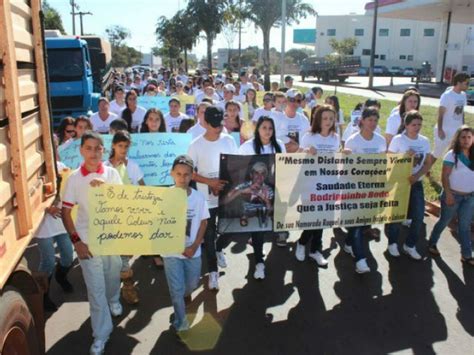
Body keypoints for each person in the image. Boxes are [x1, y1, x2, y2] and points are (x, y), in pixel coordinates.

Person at [62, 131, 123, 355]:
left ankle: (114, 298)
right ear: (81, 150)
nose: (94, 152)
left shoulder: (112, 174)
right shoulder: (74, 179)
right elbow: (66, 212)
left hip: (112, 238)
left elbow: (126, 205)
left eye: (98, 148)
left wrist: (106, 190)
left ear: (103, 150)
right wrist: (76, 241)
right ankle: (101, 334)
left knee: (112, 274)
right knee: (95, 291)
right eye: (89, 148)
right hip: (87, 241)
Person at [187, 106, 238, 290]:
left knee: (232, 229)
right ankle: (213, 272)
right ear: (205, 123)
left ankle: (218, 247)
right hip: (205, 200)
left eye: (220, 123)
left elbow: (237, 164)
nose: (218, 128)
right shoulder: (195, 145)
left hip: (227, 196)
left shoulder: (229, 140)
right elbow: (189, 173)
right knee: (208, 236)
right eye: (214, 124)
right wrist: (210, 182)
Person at [162, 155, 209, 332]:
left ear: (192, 175)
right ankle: (181, 324)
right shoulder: (163, 197)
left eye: (186, 174)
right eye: (178, 174)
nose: (182, 178)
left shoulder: (198, 198)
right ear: (172, 174)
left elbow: (204, 222)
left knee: (191, 284)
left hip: (192, 252)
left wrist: (194, 246)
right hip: (170, 253)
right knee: (176, 290)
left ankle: (184, 296)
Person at [238, 116, 285, 279]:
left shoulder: (279, 145)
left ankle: (258, 244)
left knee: (268, 224)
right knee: (258, 226)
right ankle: (259, 262)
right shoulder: (247, 147)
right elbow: (238, 167)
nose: (267, 131)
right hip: (253, 193)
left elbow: (285, 168)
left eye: (270, 128)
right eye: (264, 128)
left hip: (273, 191)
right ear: (257, 129)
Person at [296, 105, 341, 267]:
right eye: (325, 118)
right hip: (310, 184)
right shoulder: (309, 136)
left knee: (322, 218)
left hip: (329, 184)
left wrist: (346, 154)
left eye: (331, 118)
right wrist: (306, 151)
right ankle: (301, 244)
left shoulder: (335, 137)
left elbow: (337, 159)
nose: (328, 121)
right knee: (312, 218)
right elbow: (296, 159)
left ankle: (315, 250)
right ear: (318, 119)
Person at [343, 107, 387, 273]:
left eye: (376, 120)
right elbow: (346, 168)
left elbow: (383, 166)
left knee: (364, 224)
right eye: (370, 120)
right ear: (362, 120)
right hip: (354, 188)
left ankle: (348, 244)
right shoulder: (353, 141)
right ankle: (360, 260)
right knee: (357, 223)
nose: (373, 123)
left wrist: (382, 189)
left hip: (372, 188)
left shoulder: (380, 140)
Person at [104, 131, 144, 305]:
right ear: (113, 145)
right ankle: (116, 293)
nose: (123, 149)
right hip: (111, 219)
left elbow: (143, 187)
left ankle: (127, 287)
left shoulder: (133, 166)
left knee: (125, 255)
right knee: (113, 258)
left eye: (126, 146)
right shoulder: (104, 167)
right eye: (120, 146)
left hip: (130, 218)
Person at [385, 111, 432, 260]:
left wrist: (416, 176)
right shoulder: (398, 140)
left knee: (418, 217)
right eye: (414, 124)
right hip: (399, 183)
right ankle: (392, 243)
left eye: (419, 124)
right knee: (397, 216)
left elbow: (427, 163)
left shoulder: (424, 141)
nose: (417, 127)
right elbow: (389, 162)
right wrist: (405, 158)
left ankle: (410, 245)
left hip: (416, 183)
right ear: (406, 125)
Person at [36, 136, 74, 312]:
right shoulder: (33, 171)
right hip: (42, 222)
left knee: (67, 255)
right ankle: (43, 296)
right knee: (48, 260)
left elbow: (71, 188)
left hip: (60, 220)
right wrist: (46, 207)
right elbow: (29, 196)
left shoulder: (63, 168)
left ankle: (61, 276)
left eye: (54, 147)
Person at [428, 125, 474, 265]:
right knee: (444, 221)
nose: (466, 140)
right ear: (458, 139)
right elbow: (445, 176)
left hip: (470, 197)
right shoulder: (452, 155)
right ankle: (432, 243)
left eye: (469, 137)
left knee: (464, 226)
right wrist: (448, 194)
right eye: (463, 137)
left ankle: (466, 255)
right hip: (452, 196)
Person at [432, 72, 469, 163]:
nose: (468, 85)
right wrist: (440, 130)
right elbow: (440, 114)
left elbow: (461, 113)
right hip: (445, 130)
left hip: (456, 130)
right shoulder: (447, 95)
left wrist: (463, 128)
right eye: (466, 83)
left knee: (453, 154)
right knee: (437, 154)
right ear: (459, 83)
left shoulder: (463, 95)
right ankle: (426, 169)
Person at [273, 89, 310, 154]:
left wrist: (297, 147)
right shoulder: (275, 117)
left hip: (296, 159)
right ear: (286, 100)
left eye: (298, 101)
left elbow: (308, 141)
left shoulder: (304, 120)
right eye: (292, 100)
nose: (295, 103)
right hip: (277, 157)